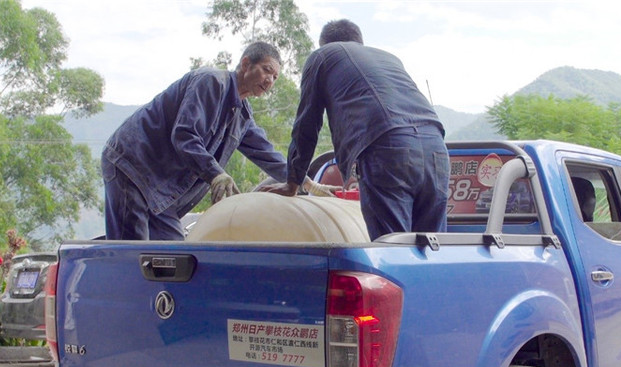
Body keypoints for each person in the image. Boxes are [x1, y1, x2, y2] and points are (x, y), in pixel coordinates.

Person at [102, 41, 330, 240]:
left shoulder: (242, 116)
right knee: (131, 252)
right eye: (266, 70)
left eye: (275, 77)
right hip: (133, 166)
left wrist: (307, 183)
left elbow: (266, 153)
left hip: (163, 190)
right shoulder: (211, 82)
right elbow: (184, 136)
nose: (270, 80)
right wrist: (216, 174)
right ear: (246, 64)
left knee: (172, 256)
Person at [261, 19, 449, 240]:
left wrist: (293, 182)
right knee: (431, 247)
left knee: (394, 249)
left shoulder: (322, 56)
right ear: (359, 41)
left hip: (387, 147)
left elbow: (307, 124)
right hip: (437, 148)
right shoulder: (389, 58)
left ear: (325, 43)